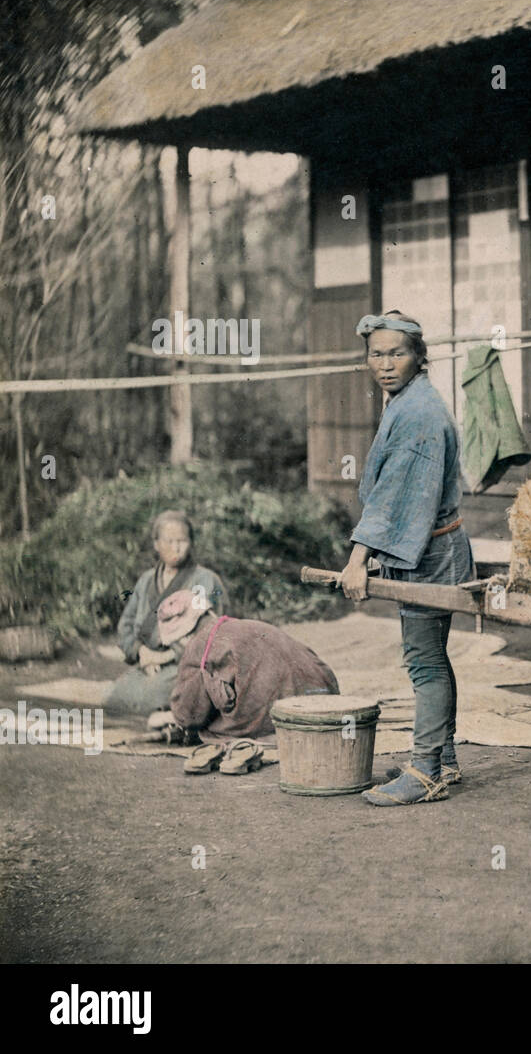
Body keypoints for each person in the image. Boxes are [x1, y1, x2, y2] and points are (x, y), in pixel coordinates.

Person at [340, 310, 475, 805]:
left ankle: (425, 771)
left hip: (431, 553)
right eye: (377, 354)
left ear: (420, 357)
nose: (386, 364)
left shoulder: (418, 413)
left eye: (398, 353)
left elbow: (394, 497)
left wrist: (358, 560)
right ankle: (445, 758)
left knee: (423, 663)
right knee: (433, 657)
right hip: (436, 545)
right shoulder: (406, 401)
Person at [158, 590, 340, 773]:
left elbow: (187, 716)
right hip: (327, 698)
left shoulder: (198, 645)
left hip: (291, 717)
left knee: (215, 731)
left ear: (182, 638)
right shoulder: (245, 625)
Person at [108, 510, 227, 715]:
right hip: (147, 663)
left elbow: (211, 635)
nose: (176, 547)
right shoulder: (146, 580)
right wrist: (141, 653)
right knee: (112, 699)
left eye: (182, 540)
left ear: (191, 543)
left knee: (153, 701)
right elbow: (126, 625)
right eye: (169, 541)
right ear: (156, 544)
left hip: (186, 666)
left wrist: (165, 657)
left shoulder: (205, 580)